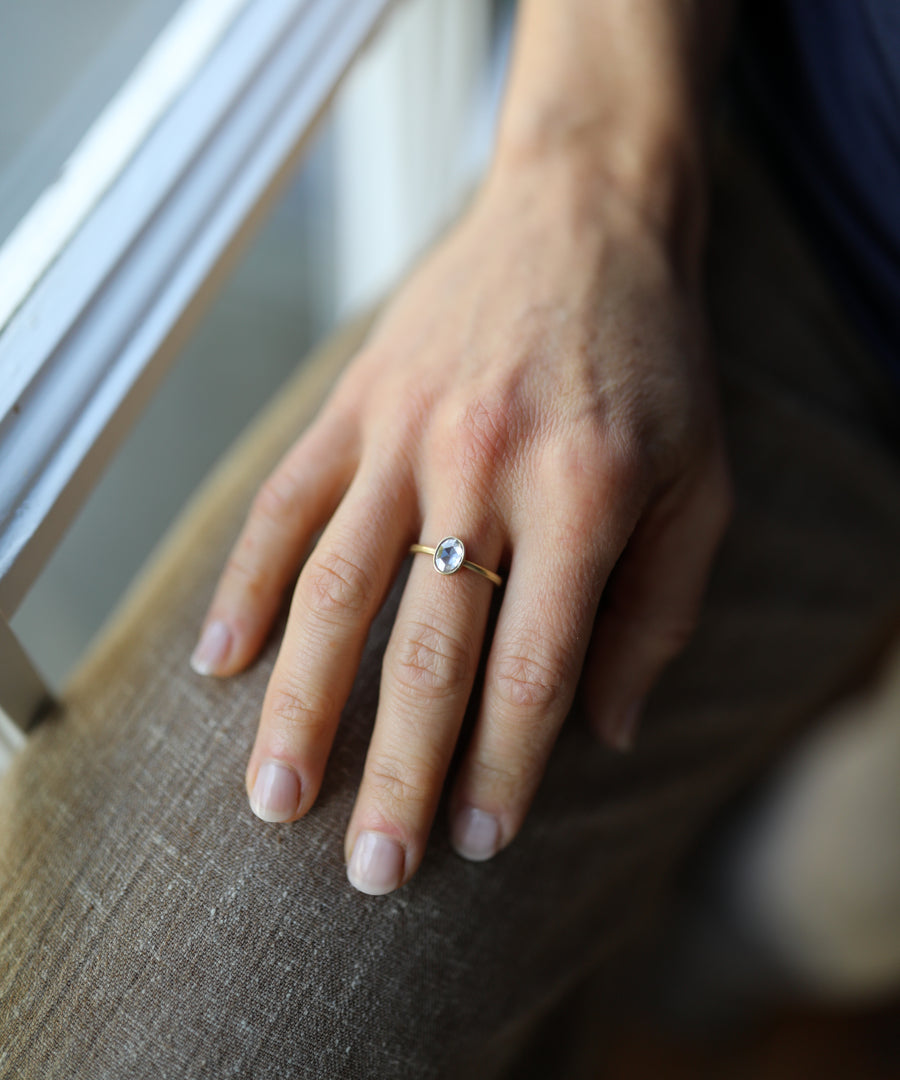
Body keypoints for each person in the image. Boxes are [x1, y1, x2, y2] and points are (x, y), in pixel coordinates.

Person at [1, 2, 898, 1077]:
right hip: (809, 209)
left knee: (821, 900)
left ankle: (691, 985)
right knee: (174, 1039)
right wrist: (588, 178)